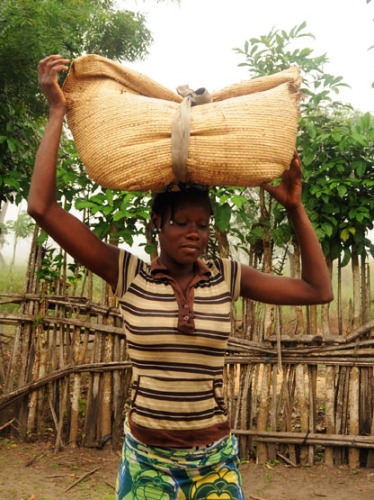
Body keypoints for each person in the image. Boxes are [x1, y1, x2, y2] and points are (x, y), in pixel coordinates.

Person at [29, 55, 333, 500]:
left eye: (203, 225)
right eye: (182, 223)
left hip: (214, 459)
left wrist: (293, 206)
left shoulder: (228, 277)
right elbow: (42, 208)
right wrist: (57, 112)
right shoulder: (127, 273)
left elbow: (318, 291)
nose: (194, 233)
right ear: (158, 224)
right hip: (147, 459)